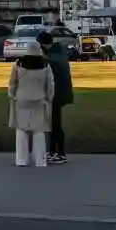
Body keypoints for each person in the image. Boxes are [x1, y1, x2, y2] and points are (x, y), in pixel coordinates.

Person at [8, 42, 55, 167]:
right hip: (39, 100)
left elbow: (12, 82)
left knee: (21, 129)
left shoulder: (18, 64)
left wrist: (12, 95)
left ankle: (21, 160)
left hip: (22, 100)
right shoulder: (45, 65)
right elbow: (50, 84)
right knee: (39, 130)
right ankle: (40, 160)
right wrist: (49, 98)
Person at [37, 31, 73, 165]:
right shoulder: (59, 50)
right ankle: (52, 152)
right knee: (53, 123)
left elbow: (49, 63)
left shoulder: (52, 58)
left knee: (55, 124)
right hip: (60, 92)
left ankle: (60, 153)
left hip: (57, 93)